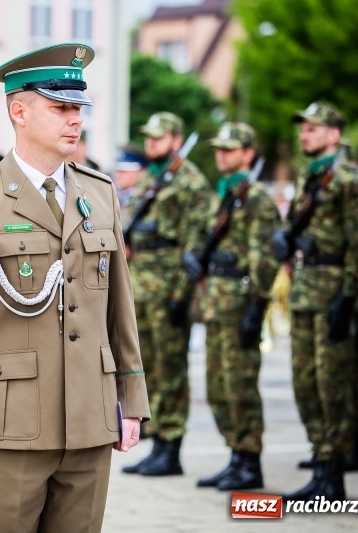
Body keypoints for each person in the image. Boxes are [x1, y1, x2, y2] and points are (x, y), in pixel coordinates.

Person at [0, 43, 149, 532]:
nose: (75, 119)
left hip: (91, 417)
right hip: (12, 423)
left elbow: (119, 308)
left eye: (78, 108)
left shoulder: (100, 192)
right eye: (60, 107)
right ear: (19, 111)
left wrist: (132, 398)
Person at [272, 101, 358, 502]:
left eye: (313, 128)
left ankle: (334, 472)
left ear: (334, 134)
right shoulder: (310, 177)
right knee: (306, 383)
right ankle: (321, 461)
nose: (304, 135)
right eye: (302, 128)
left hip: (334, 293)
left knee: (332, 385)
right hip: (305, 291)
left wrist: (351, 297)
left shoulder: (350, 180)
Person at [181, 122, 279, 491]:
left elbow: (263, 257)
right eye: (219, 149)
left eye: (229, 149)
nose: (221, 155)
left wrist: (258, 306)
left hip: (239, 305)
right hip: (216, 304)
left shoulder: (256, 199)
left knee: (240, 386)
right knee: (218, 386)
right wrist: (195, 258)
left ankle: (250, 461)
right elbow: (205, 238)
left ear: (247, 154)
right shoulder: (223, 194)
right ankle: (235, 456)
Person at [122, 112, 211, 476]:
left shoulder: (190, 182)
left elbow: (195, 243)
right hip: (141, 286)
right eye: (148, 137)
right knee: (149, 369)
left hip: (168, 289)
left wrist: (181, 296)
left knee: (171, 370)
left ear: (176, 140)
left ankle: (170, 446)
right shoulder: (151, 178)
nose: (150, 143)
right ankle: (156, 439)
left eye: (158, 138)